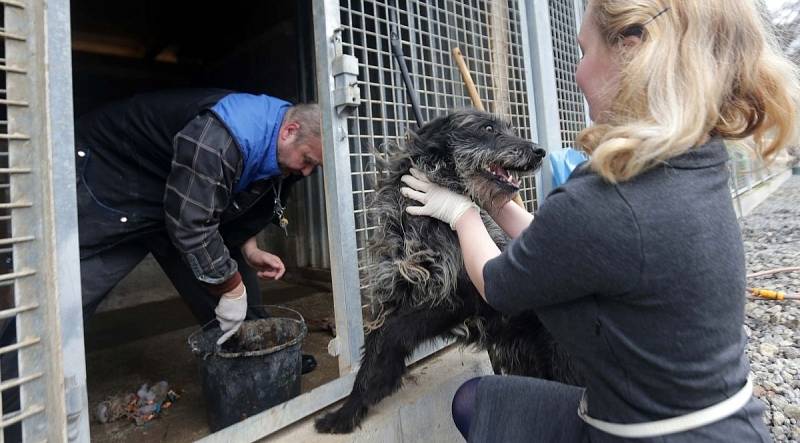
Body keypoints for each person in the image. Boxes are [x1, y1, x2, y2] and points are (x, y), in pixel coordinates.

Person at [400, 0, 798, 441]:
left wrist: (462, 213)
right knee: (478, 400)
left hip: (659, 433)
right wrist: (498, 204)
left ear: (632, 52)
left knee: (476, 401)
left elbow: (499, 285)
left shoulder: (609, 196)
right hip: (712, 414)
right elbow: (573, 248)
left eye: (584, 51)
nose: (578, 72)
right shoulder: (691, 160)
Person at [73, 89, 322, 355]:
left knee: (231, 276)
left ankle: (253, 358)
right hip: (112, 179)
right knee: (75, 291)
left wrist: (250, 250)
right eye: (307, 160)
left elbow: (235, 198)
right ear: (289, 131)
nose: (306, 171)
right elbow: (192, 226)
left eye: (314, 166)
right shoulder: (221, 138)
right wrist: (230, 286)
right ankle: (33, 376)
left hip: (177, 193)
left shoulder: (281, 140)